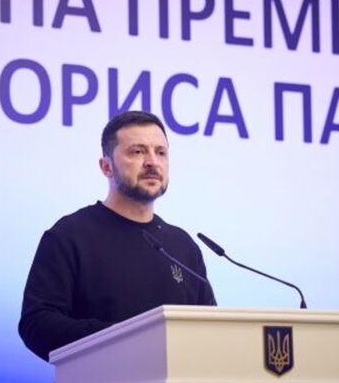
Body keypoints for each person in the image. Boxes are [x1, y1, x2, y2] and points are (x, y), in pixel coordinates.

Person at [18, 110, 216, 362]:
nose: (152, 162)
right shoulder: (69, 236)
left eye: (161, 152)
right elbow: (37, 324)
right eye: (138, 151)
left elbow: (209, 331)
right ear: (106, 166)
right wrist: (122, 339)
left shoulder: (182, 246)